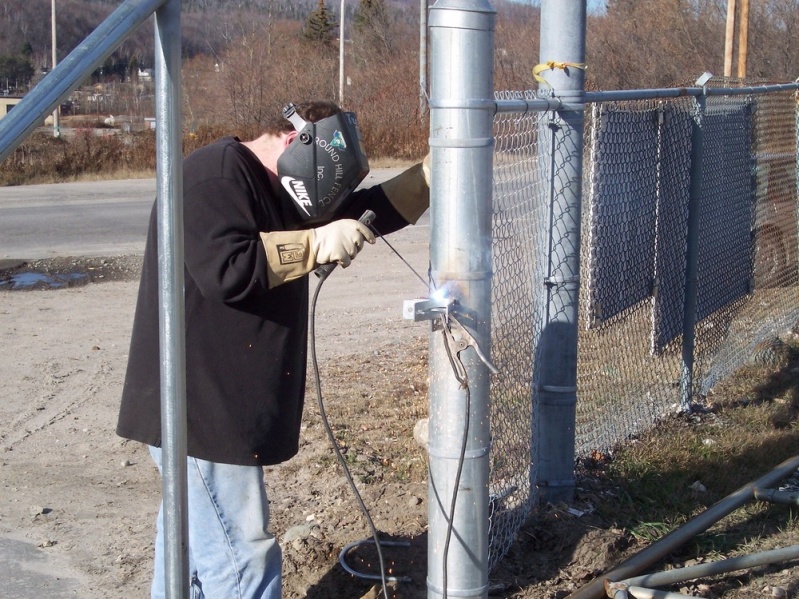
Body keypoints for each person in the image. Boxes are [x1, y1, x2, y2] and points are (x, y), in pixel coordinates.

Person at [116, 100, 430, 599]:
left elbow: (355, 213)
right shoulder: (214, 177)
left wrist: (430, 178)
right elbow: (228, 268)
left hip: (213, 407)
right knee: (240, 556)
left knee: (190, 554)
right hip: (198, 408)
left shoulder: (272, 186)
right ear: (294, 142)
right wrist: (317, 244)